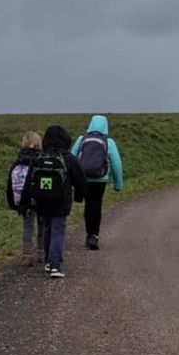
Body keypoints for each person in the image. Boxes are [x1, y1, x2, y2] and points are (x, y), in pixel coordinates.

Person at [24, 125, 86, 278]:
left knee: (47, 228)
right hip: (61, 201)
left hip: (41, 200)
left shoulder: (39, 158)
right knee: (58, 229)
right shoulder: (69, 158)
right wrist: (79, 197)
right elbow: (81, 181)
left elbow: (29, 180)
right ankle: (55, 264)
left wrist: (25, 201)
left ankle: (48, 260)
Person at [71, 115, 123, 250]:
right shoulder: (109, 142)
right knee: (96, 205)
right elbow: (116, 164)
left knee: (88, 205)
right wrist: (118, 184)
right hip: (100, 180)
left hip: (84, 178)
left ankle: (88, 234)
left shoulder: (81, 139)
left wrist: (70, 179)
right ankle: (94, 236)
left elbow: (71, 158)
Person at [6, 130, 43, 265]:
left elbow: (9, 184)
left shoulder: (18, 161)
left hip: (24, 200)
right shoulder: (41, 160)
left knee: (27, 226)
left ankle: (27, 255)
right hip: (40, 198)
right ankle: (42, 253)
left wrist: (13, 203)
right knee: (42, 225)